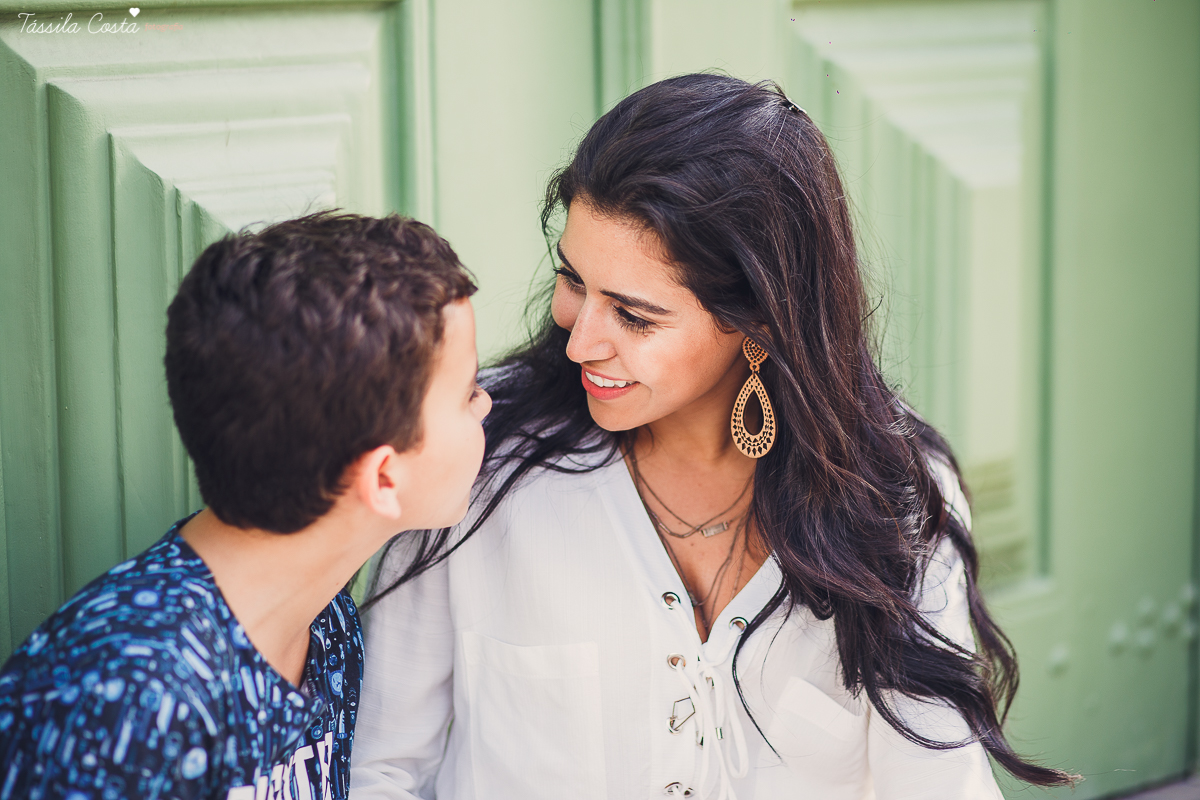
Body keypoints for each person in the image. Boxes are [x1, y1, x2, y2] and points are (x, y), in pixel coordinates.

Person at [350, 74, 1075, 799]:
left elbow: (937, 783)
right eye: (573, 281)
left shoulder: (892, 498)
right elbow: (380, 768)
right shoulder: (476, 455)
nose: (579, 342)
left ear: (758, 319)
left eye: (634, 316)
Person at [0, 212, 492, 800]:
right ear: (383, 477)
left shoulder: (325, 620)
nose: (486, 405)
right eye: (468, 391)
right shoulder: (115, 703)